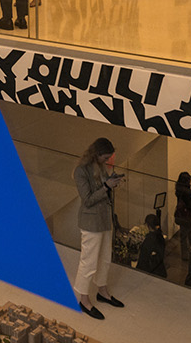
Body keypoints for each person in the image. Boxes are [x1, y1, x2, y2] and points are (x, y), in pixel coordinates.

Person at [73, 137, 124, 319]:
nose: (107, 161)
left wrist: (113, 181)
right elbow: (87, 200)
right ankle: (83, 299)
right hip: (91, 223)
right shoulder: (81, 171)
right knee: (88, 261)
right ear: (97, 155)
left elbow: (103, 189)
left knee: (105, 258)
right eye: (105, 158)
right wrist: (106, 187)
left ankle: (102, 292)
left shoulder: (101, 167)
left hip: (104, 220)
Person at [173, 172, 191, 261]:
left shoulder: (178, 189)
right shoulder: (187, 191)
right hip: (188, 217)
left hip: (181, 216)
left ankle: (184, 254)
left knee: (183, 235)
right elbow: (190, 204)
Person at [136, 212, 168, 279]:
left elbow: (143, 259)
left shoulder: (150, 240)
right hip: (160, 271)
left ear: (148, 226)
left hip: (151, 273)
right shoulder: (160, 236)